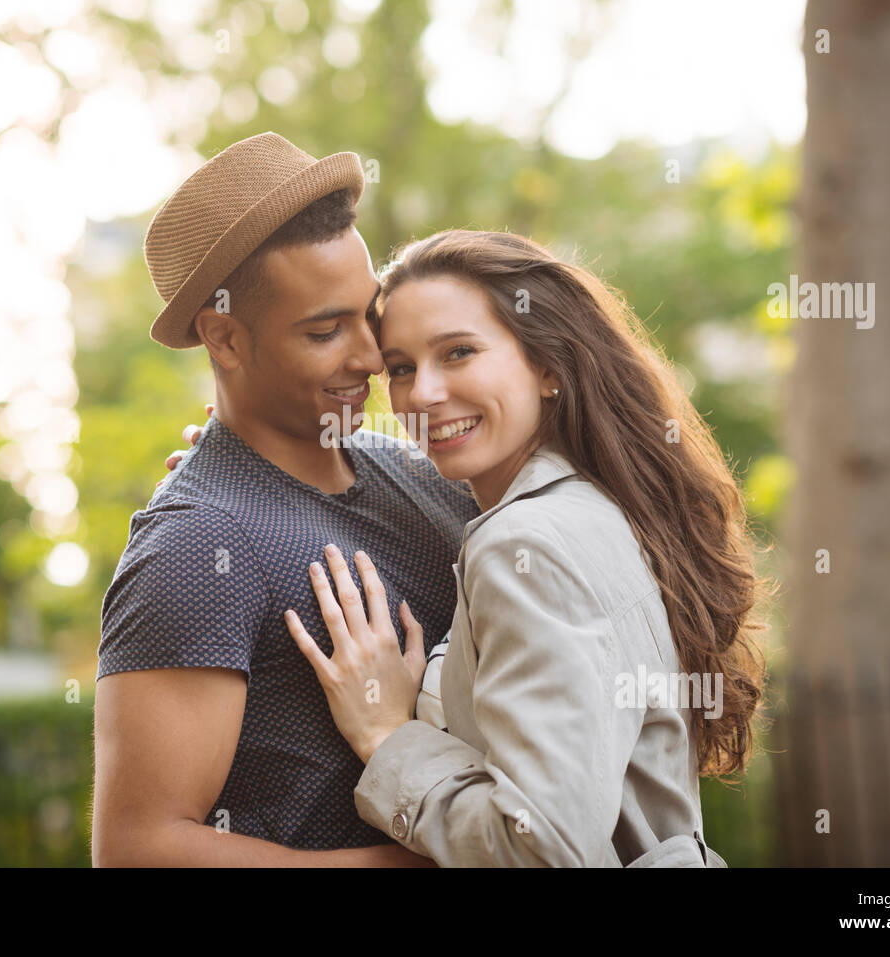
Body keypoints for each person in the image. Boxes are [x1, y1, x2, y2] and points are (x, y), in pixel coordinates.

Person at [275, 230, 768, 866]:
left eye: (458, 352)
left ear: (548, 366)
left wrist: (386, 737)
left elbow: (540, 847)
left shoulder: (524, 544)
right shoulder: (593, 509)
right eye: (400, 368)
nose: (422, 393)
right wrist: (258, 460)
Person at [90, 133, 479, 866]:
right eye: (325, 331)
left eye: (369, 315)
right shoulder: (194, 544)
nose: (368, 355)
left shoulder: (421, 475)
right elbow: (137, 848)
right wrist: (453, 858)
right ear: (225, 338)